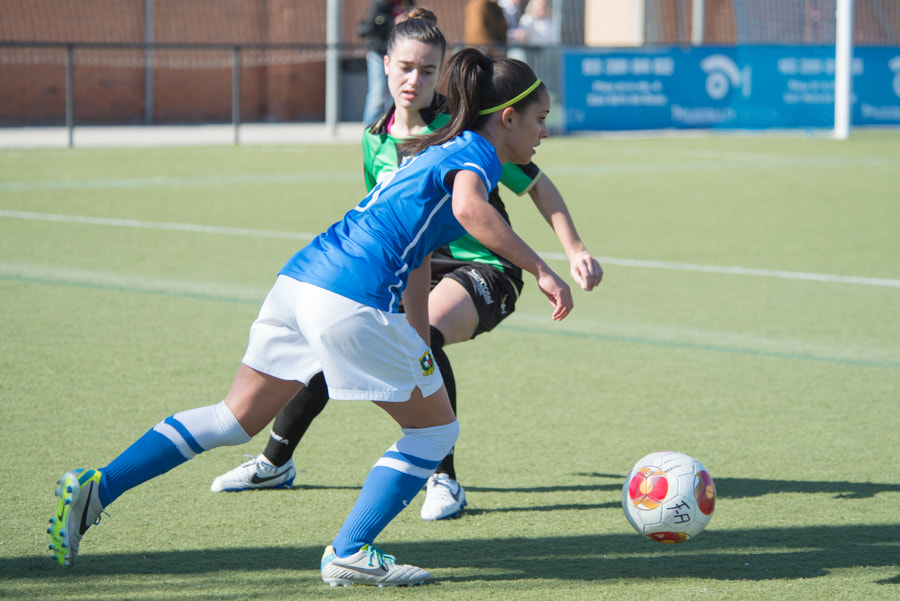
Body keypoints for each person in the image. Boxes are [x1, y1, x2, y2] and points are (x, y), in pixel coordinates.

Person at [47, 46, 574, 587]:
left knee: (234, 419)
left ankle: (99, 485)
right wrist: (541, 270)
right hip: (353, 298)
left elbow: (416, 255)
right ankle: (350, 549)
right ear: (505, 118)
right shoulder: (479, 153)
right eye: (539, 120)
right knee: (435, 434)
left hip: (301, 281)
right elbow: (469, 210)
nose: (544, 133)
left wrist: (416, 343)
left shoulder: (432, 150)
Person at [210, 8, 603, 523]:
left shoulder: (464, 128)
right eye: (403, 67)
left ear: (441, 73)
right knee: (336, 341)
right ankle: (274, 462)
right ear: (385, 64)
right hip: (409, 266)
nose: (412, 80)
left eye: (425, 70)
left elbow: (533, 183)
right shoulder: (376, 136)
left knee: (426, 337)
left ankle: (444, 479)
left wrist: (571, 249)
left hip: (481, 267)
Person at [358, 0, 414, 124]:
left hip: (398, 54)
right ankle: (369, 129)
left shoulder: (407, 3)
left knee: (396, 93)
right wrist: (393, 23)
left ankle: (392, 126)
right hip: (379, 53)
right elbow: (371, 27)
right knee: (378, 94)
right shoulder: (381, 3)